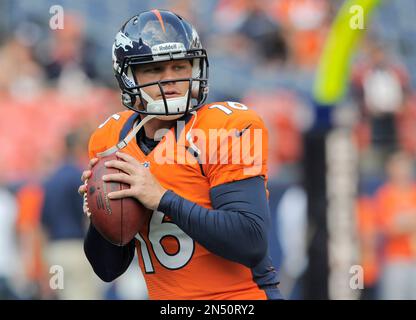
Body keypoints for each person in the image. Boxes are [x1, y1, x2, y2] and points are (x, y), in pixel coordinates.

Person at [78, 9, 282, 300]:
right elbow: (106, 268)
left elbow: (250, 240)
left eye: (179, 67)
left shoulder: (225, 126)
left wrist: (162, 198)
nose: (169, 80)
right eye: (154, 69)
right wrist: (103, 215)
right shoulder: (110, 139)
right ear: (129, 76)